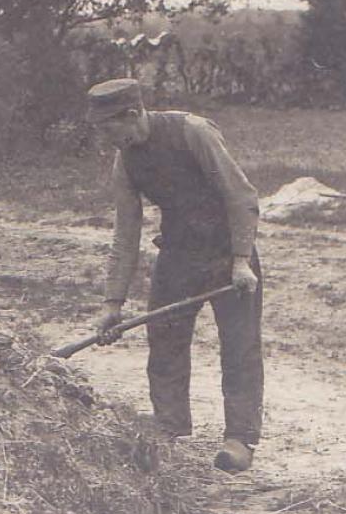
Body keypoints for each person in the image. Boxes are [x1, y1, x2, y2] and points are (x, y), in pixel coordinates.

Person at [86, 77, 264, 472]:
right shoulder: (126, 159)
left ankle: (240, 439)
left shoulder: (193, 132)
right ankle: (168, 428)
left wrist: (240, 260)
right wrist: (112, 303)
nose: (110, 142)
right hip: (179, 255)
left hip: (226, 253)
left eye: (112, 131)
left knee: (240, 347)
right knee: (164, 341)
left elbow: (242, 195)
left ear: (133, 115)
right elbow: (126, 231)